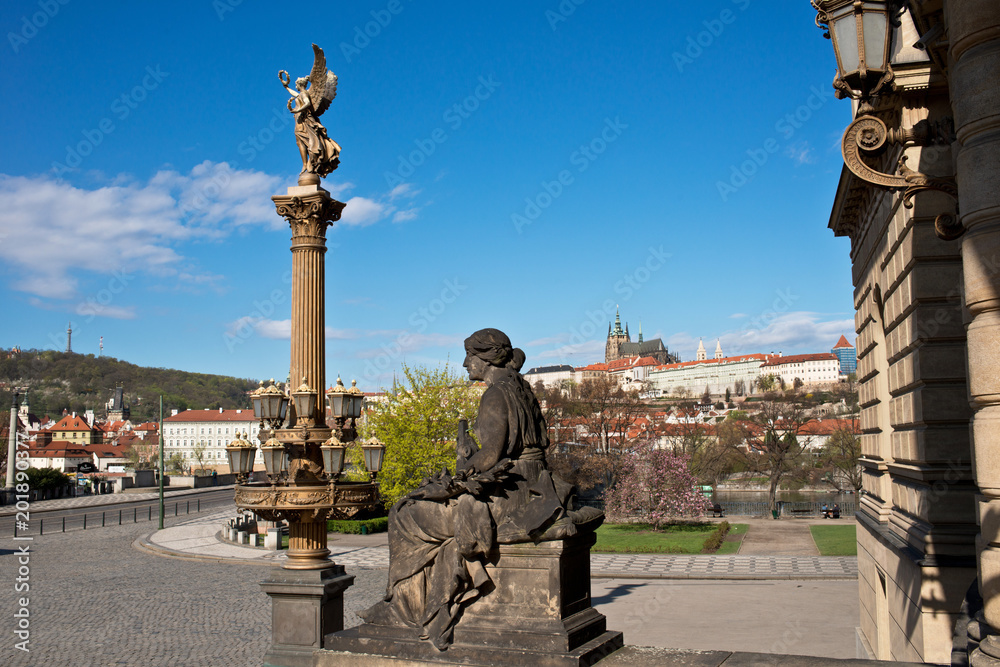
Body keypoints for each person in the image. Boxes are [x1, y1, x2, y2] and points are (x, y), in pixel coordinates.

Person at [360, 328, 601, 650]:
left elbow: (491, 457)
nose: (464, 364)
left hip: (510, 497)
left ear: (485, 358)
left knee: (405, 513)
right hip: (534, 484)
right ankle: (420, 601)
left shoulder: (496, 393)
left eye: (470, 357)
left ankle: (405, 609)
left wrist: (457, 475)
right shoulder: (522, 389)